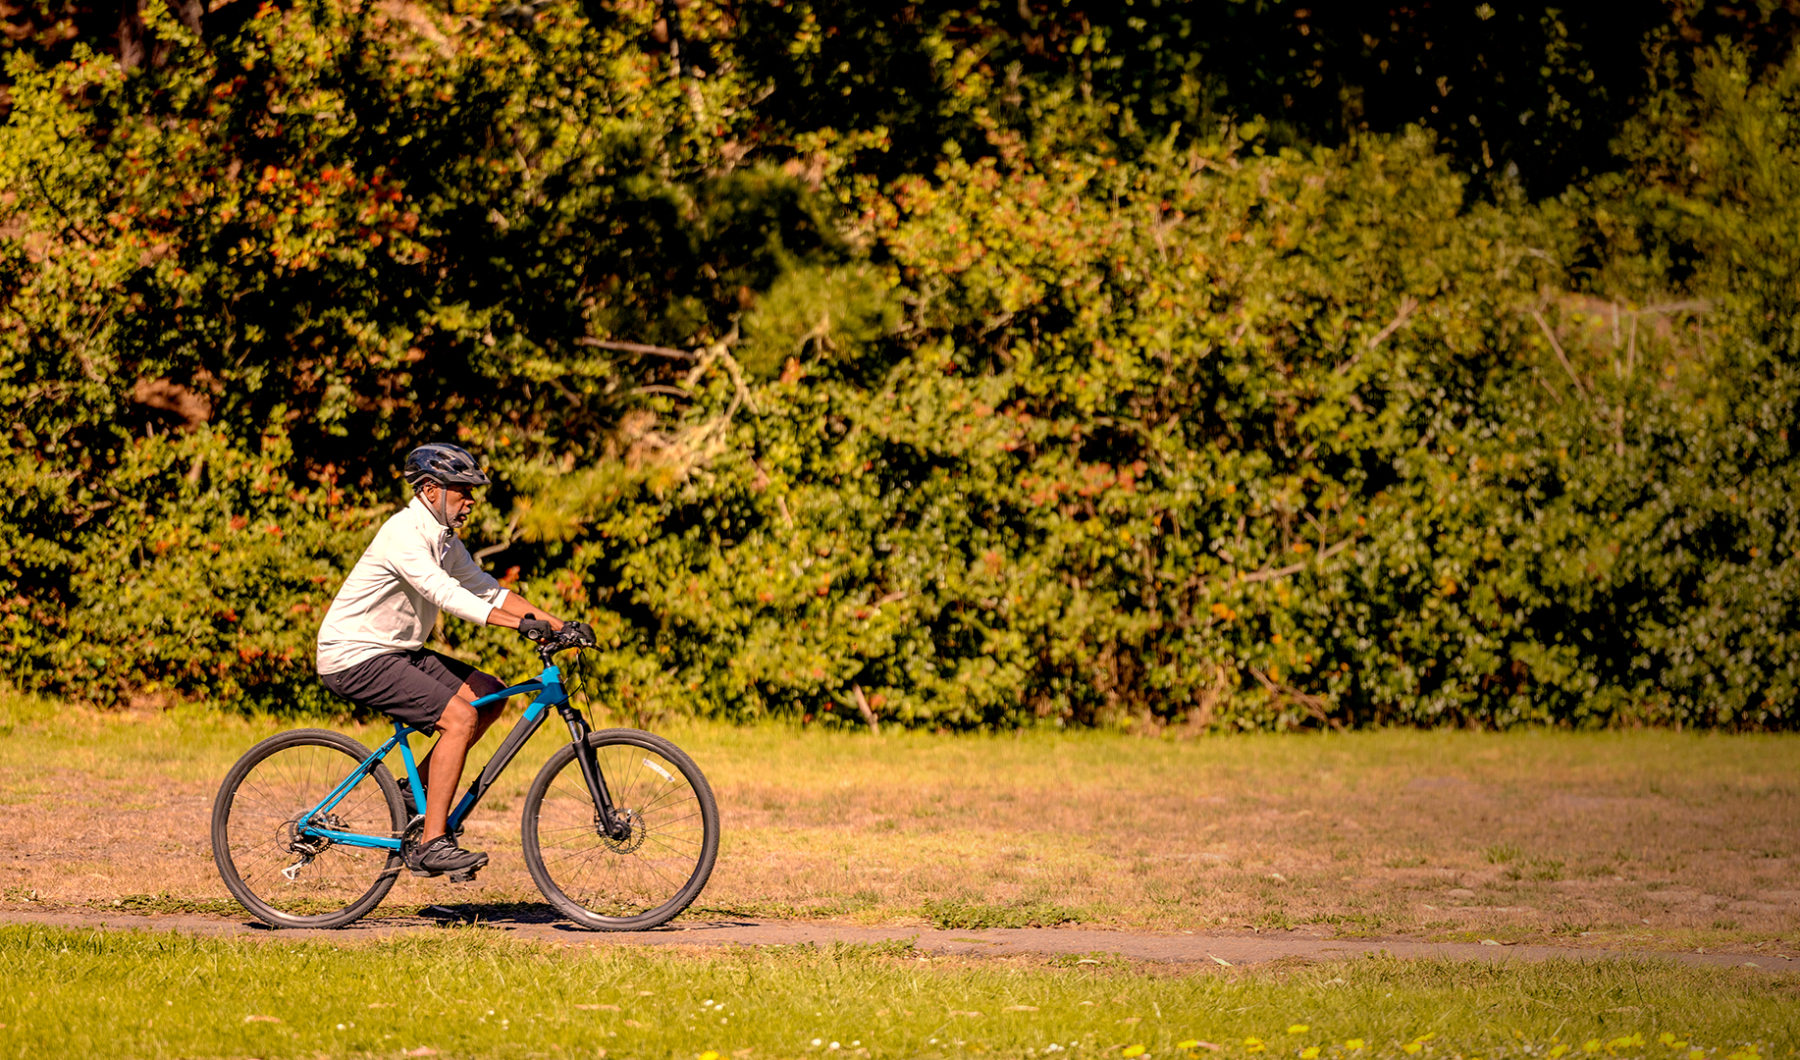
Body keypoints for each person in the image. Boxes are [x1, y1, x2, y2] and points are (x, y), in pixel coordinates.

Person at [315, 442, 565, 880]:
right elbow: (444, 594)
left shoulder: (443, 539)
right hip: (353, 655)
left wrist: (559, 625)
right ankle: (432, 844)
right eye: (462, 490)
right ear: (430, 489)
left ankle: (415, 794)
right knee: (459, 719)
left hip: (395, 650)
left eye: (472, 492)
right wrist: (516, 625)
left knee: (487, 694)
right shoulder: (404, 533)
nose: (470, 501)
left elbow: (488, 588)